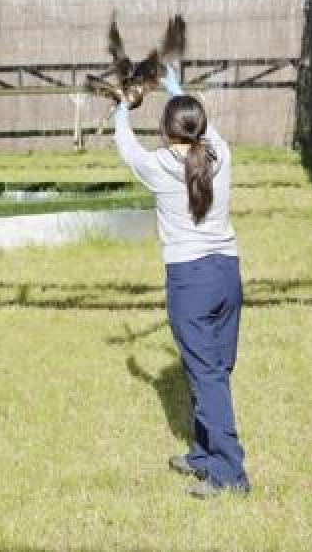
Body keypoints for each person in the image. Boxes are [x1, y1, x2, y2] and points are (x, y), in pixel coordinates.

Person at [110, 65, 250, 499]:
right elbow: (205, 122)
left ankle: (230, 476)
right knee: (215, 371)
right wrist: (176, 88)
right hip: (227, 274)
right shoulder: (221, 153)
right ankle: (204, 455)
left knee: (207, 376)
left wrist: (122, 107)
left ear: (167, 131)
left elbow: (126, 146)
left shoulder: (157, 166)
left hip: (190, 281)